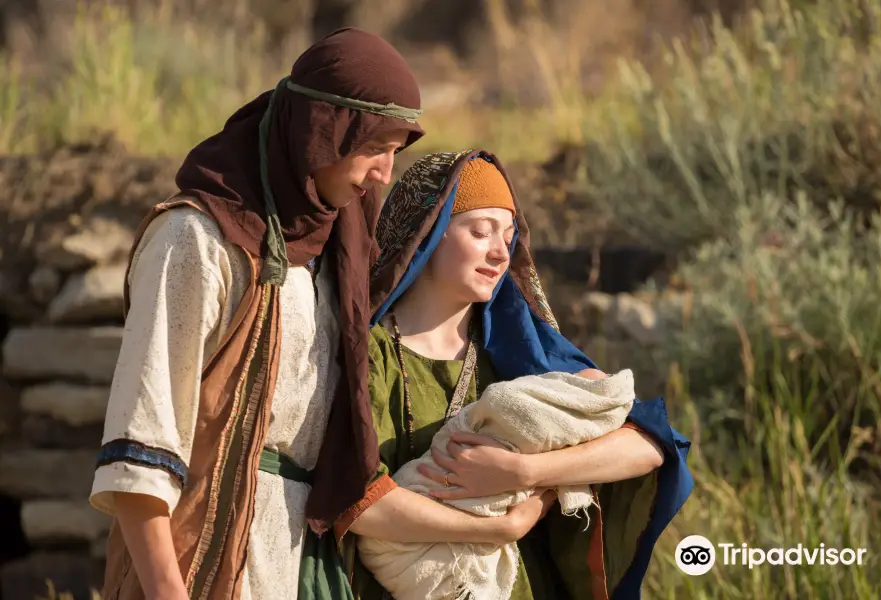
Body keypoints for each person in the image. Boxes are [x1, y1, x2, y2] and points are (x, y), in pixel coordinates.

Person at [89, 28, 430, 600]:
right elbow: (140, 450)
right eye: (375, 147)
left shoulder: (337, 256)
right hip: (206, 561)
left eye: (396, 152)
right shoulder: (196, 240)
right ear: (324, 131)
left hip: (303, 559)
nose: (384, 175)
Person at [334, 150, 694, 599]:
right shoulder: (371, 356)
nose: (500, 251)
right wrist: (501, 528)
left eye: (509, 235)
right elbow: (355, 502)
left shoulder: (516, 352)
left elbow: (649, 446)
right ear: (426, 235)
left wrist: (524, 472)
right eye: (479, 231)